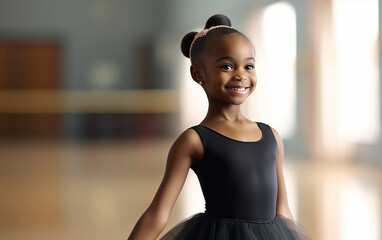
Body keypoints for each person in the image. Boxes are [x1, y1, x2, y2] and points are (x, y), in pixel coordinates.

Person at [128, 14, 310, 240]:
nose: (241, 75)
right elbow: (157, 214)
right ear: (198, 74)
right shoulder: (194, 140)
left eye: (249, 66)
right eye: (227, 66)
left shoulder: (271, 136)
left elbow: (282, 210)